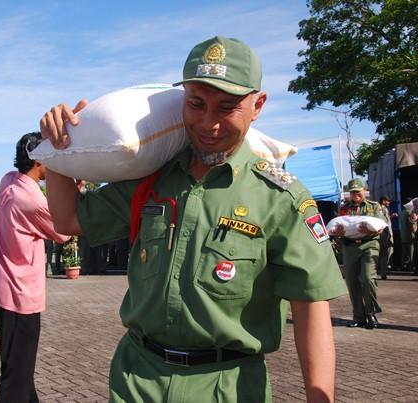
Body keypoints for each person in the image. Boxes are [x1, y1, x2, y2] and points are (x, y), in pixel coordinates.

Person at [40, 36, 347, 402]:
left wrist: (319, 396)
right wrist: (58, 147)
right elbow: (68, 219)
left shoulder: (281, 197)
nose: (208, 123)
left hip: (227, 386)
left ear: (257, 105)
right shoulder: (152, 178)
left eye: (226, 108)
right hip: (138, 379)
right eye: (196, 104)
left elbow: (310, 306)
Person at [0, 132, 70, 402]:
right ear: (39, 162)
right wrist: (72, 186)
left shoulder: (8, 181)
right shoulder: (31, 200)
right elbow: (64, 230)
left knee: (18, 367)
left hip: (3, 290)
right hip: (21, 296)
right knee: (16, 377)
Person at [333, 179, 384, 329]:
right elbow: (338, 229)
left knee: (368, 278)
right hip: (350, 247)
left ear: (364, 190)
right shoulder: (344, 208)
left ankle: (370, 313)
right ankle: (358, 316)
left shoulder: (374, 207)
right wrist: (338, 233)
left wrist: (370, 230)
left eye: (358, 191)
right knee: (352, 282)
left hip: (369, 244)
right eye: (352, 192)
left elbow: (381, 227)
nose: (355, 195)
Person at [399, 198, 418, 272]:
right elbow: (412, 226)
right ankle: (411, 266)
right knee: (411, 252)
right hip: (410, 236)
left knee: (404, 252)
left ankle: (404, 265)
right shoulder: (409, 212)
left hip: (403, 236)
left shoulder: (402, 212)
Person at [377, 196, 394, 279]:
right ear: (383, 201)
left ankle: (380, 272)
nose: (389, 203)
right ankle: (383, 273)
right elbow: (382, 222)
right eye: (388, 201)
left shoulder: (384, 209)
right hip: (383, 235)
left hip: (385, 235)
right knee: (383, 254)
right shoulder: (380, 209)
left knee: (382, 254)